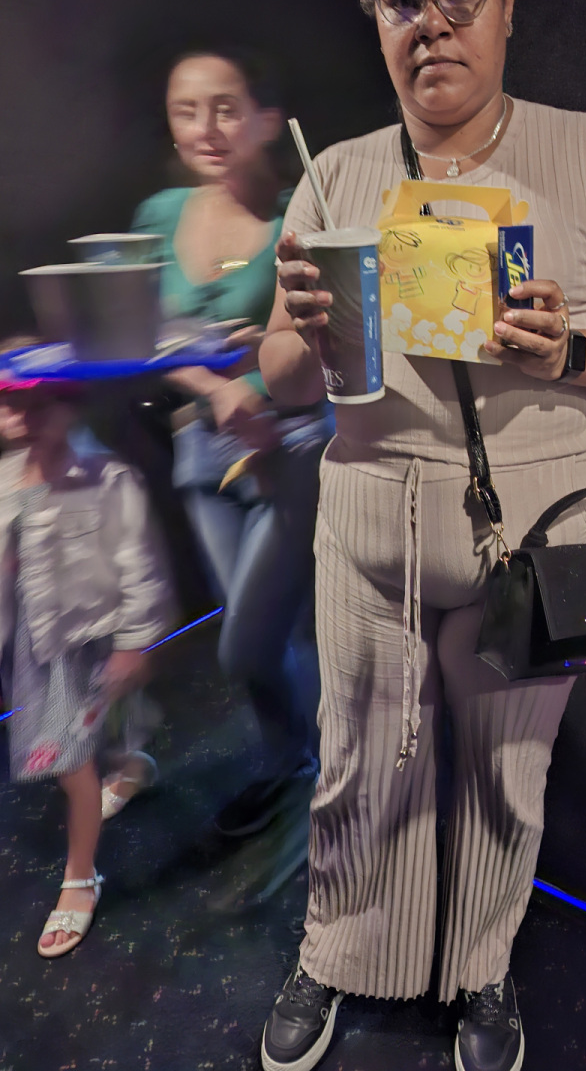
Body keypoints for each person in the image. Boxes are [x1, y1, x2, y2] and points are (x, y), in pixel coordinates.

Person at [258, 0, 586, 1069]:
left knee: (507, 769)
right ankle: (340, 953)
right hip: (373, 515)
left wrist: (573, 348)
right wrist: (301, 331)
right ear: (374, 15)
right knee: (358, 759)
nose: (433, 24)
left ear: (507, 7)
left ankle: (483, 969)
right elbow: (281, 377)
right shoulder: (336, 175)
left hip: (544, 517)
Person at [132, 48, 332, 851]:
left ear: (265, 118)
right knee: (264, 644)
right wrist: (217, 385)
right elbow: (141, 331)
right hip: (202, 450)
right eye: (186, 111)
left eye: (224, 107)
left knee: (251, 637)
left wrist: (258, 366)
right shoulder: (160, 213)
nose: (205, 127)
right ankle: (293, 763)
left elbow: (323, 341)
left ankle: (330, 770)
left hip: (289, 444)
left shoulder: (300, 212)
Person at [0, 371, 170, 958]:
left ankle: (79, 877)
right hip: (35, 644)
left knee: (69, 761)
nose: (20, 419)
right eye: (8, 404)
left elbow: (138, 562)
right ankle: (131, 765)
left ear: (69, 406)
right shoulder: (6, 479)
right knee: (97, 732)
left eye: (38, 404)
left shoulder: (106, 478)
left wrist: (133, 642)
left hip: (88, 637)